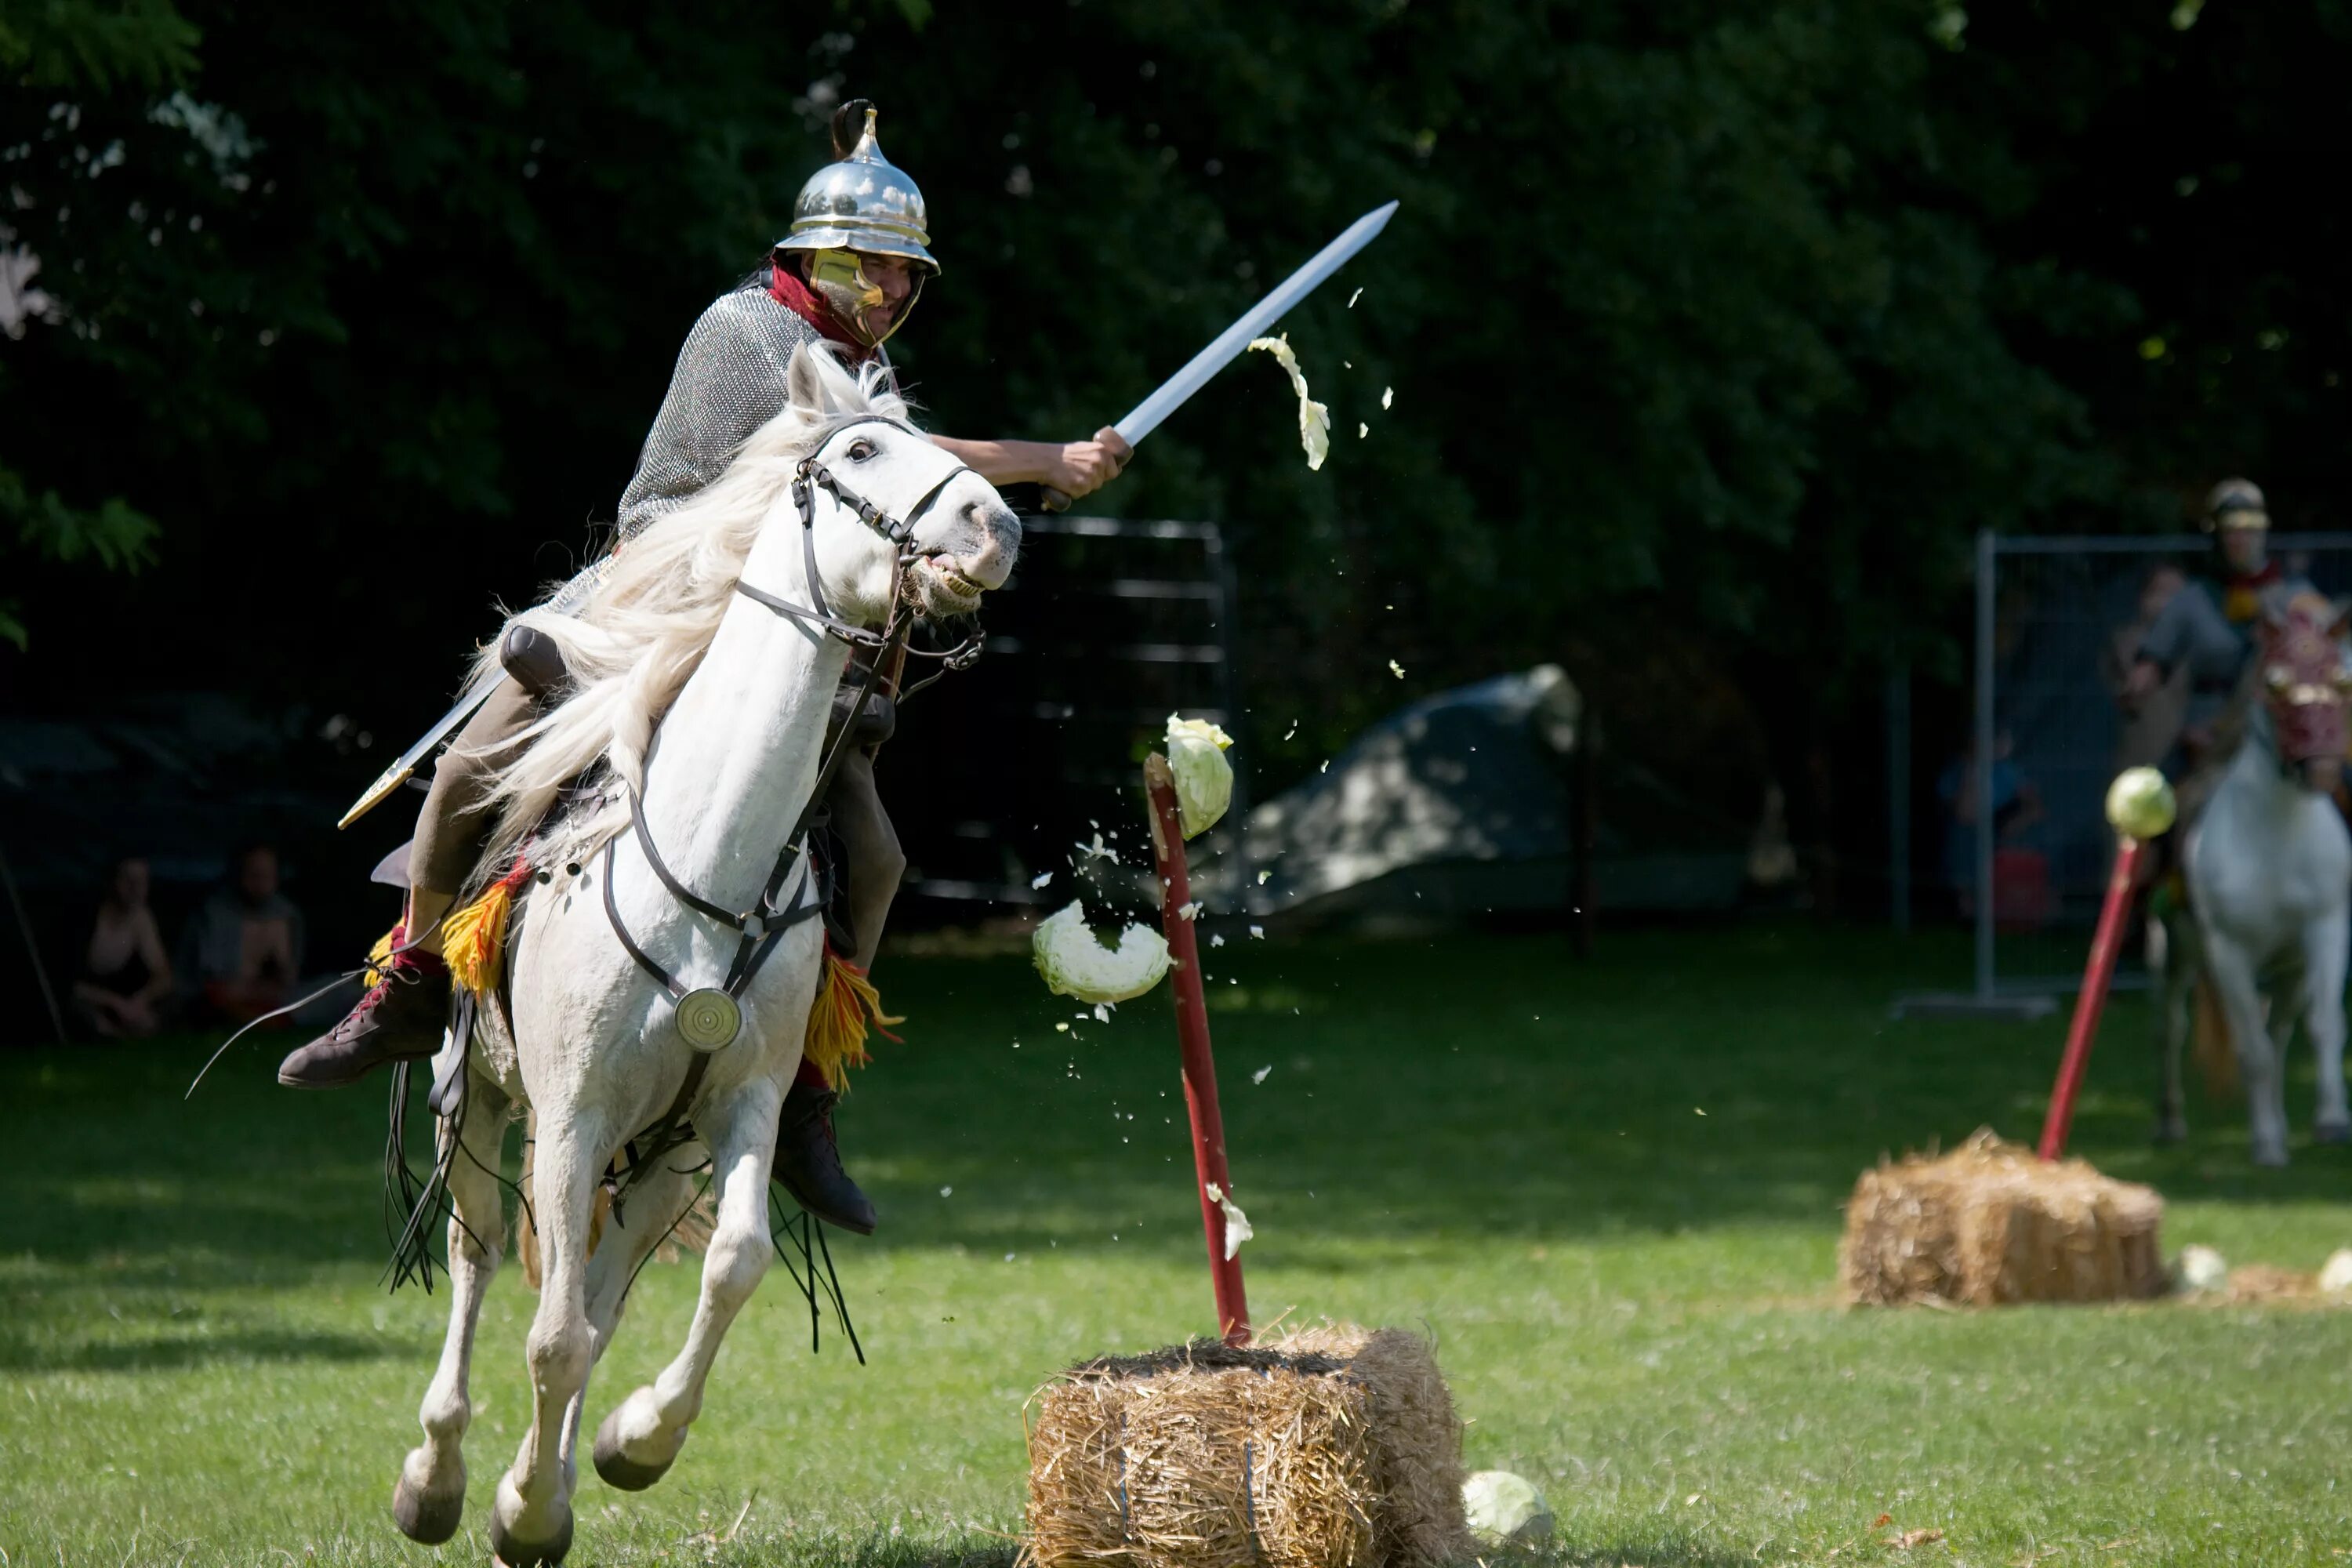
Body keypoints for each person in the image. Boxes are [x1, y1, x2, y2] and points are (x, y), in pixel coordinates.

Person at [277, 102, 1132, 1236]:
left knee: (873, 857)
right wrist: (1038, 461)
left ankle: (807, 1101)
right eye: (873, 269)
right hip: (658, 595)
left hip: (774, 635)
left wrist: (1027, 477)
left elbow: (893, 488)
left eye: (904, 275)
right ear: (822, 259)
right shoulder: (750, 332)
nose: (891, 293)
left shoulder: (862, 370)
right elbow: (836, 469)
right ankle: (410, 980)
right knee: (483, 752)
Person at [182, 844, 305, 1025]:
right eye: (254, 874)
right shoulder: (215, 914)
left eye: (267, 875)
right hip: (224, 1000)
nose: (261, 882)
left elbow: (290, 977)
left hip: (277, 998)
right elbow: (211, 981)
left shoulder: (287, 915)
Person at [71, 856, 173, 1038]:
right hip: (94, 1000)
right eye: (127, 879)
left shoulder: (142, 918)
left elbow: (164, 976)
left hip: (128, 1002)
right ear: (112, 882)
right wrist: (115, 1002)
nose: (135, 887)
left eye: (141, 881)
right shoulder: (88, 918)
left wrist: (140, 1001)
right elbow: (71, 985)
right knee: (94, 1023)